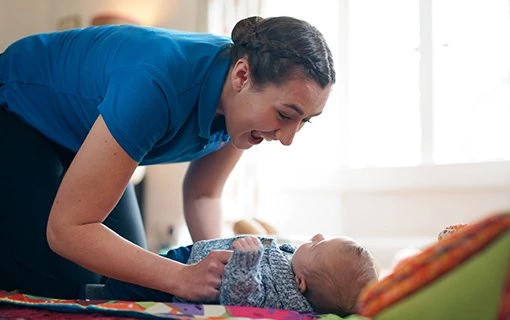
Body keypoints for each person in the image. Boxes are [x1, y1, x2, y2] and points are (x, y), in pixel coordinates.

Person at [0, 16, 335, 300]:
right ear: (241, 76)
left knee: (126, 283)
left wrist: (220, 275)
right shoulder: (156, 84)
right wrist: (183, 277)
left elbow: (204, 194)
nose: (288, 138)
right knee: (64, 284)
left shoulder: (242, 109)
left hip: (79, 132)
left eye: (303, 120)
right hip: (17, 109)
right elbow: (69, 229)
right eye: (285, 114)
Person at [85, 234, 378, 316]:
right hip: (194, 257)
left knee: (131, 283)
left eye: (318, 245)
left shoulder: (283, 295)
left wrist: (247, 263)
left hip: (187, 271)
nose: (315, 236)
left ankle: (95, 295)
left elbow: (243, 300)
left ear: (301, 283)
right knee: (132, 263)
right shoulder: (299, 272)